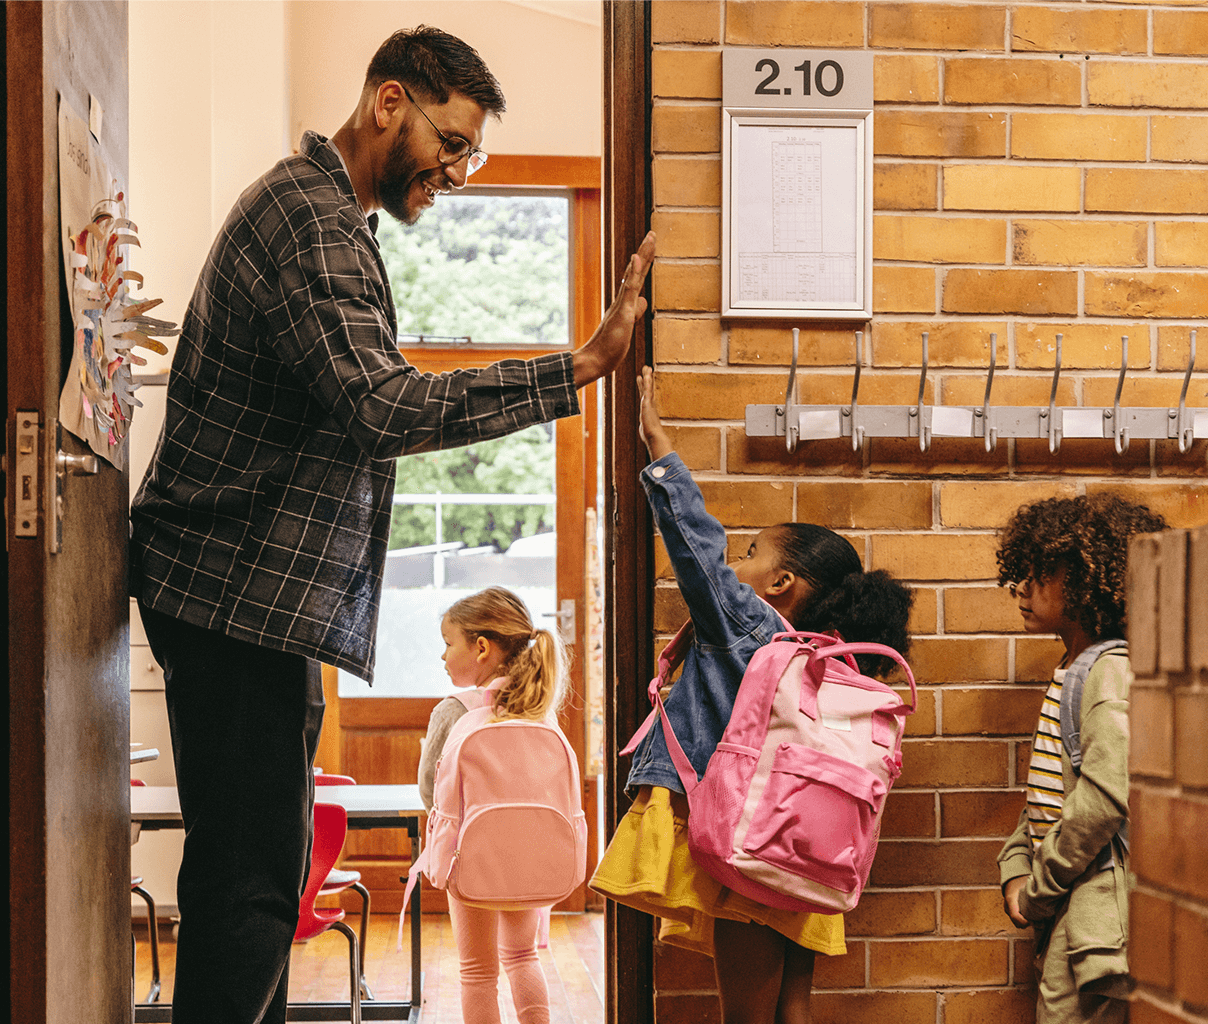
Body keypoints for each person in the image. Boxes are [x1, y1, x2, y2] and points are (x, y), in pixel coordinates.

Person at [129, 25, 655, 1024]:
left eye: (471, 156)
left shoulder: (332, 219)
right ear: (387, 104)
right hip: (232, 599)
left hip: (251, 603)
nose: (455, 171)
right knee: (249, 888)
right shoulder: (310, 222)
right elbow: (383, 406)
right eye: (451, 143)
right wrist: (577, 367)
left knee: (259, 880)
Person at [590, 367, 915, 1024]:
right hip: (806, 846)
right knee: (791, 1007)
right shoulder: (835, 660)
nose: (736, 564)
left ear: (781, 583)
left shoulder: (751, 628)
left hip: (749, 838)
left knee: (745, 1015)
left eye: (751, 553)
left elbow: (696, 550)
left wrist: (660, 448)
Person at [994, 495, 1167, 1024]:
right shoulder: (1074, 669)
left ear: (1089, 583)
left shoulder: (1108, 670)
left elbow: (1105, 797)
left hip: (1093, 911)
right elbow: (1051, 790)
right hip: (1069, 904)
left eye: (1041, 573)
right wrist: (1015, 864)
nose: (1021, 588)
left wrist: (1039, 887)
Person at [418, 587, 567, 1024]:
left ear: (481, 647)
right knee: (523, 957)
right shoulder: (539, 709)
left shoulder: (455, 711)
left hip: (470, 857)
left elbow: (430, 790)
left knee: (478, 971)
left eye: (449, 643)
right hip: (530, 855)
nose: (443, 655)